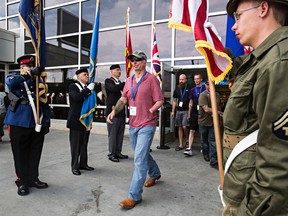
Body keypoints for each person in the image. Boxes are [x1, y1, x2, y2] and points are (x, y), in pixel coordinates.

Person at [223, 0, 288, 215]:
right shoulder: (262, 60)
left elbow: (278, 163)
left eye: (238, 15)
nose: (234, 25)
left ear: (263, 8)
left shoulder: (279, 62)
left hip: (254, 204)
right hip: (242, 188)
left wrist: (247, 211)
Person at [107, 50, 164, 209]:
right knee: (142, 153)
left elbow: (159, 100)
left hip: (147, 124)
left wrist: (152, 110)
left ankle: (134, 196)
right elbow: (123, 98)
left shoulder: (151, 79)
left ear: (144, 61)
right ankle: (155, 173)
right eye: (132, 60)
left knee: (139, 159)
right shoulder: (129, 80)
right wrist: (113, 111)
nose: (135, 62)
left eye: (138, 60)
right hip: (133, 125)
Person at [4, 54, 50, 196]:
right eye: (28, 66)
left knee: (35, 152)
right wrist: (28, 75)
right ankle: (22, 181)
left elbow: (44, 102)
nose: (31, 68)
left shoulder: (40, 83)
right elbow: (10, 84)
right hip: (19, 121)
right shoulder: (14, 77)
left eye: (33, 66)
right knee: (20, 153)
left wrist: (46, 121)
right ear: (21, 67)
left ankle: (33, 179)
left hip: (36, 122)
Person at [67, 68, 95, 176]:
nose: (87, 76)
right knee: (75, 146)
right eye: (84, 74)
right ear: (78, 76)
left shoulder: (88, 87)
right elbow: (76, 97)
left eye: (87, 74)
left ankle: (83, 164)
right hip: (76, 120)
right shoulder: (73, 86)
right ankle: (74, 166)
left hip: (86, 120)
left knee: (84, 144)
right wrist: (87, 90)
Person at [105, 64, 128, 162]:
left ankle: (118, 152)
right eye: (117, 70)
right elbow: (114, 88)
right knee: (113, 134)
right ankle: (111, 154)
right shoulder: (108, 81)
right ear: (111, 71)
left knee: (120, 134)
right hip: (112, 112)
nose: (119, 72)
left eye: (120, 70)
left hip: (121, 112)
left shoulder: (120, 83)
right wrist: (125, 83)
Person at [198, 81, 221, 166]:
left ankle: (213, 158)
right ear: (205, 85)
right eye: (208, 84)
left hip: (213, 122)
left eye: (211, 83)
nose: (210, 85)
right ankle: (205, 153)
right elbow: (206, 109)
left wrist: (218, 116)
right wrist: (218, 112)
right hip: (204, 121)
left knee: (213, 140)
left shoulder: (217, 95)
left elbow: (219, 106)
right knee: (204, 140)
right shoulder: (203, 95)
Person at [185, 74, 206, 156]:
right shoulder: (193, 90)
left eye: (198, 79)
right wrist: (189, 113)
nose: (196, 80)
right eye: (195, 79)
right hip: (194, 112)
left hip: (203, 111)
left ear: (201, 79)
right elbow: (190, 102)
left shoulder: (204, 88)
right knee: (192, 130)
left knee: (202, 130)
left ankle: (203, 147)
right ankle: (189, 148)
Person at [171, 74, 191, 151]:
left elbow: (191, 101)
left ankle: (187, 140)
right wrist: (173, 111)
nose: (181, 81)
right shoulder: (176, 89)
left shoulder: (189, 88)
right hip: (178, 110)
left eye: (182, 79)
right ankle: (180, 144)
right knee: (179, 127)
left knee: (184, 126)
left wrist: (189, 112)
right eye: (180, 79)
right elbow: (174, 101)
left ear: (186, 80)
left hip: (186, 110)